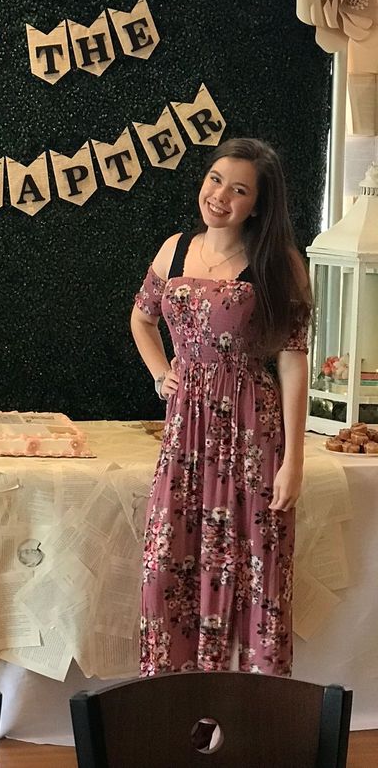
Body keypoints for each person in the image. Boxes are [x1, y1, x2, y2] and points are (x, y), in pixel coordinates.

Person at [130, 137, 311, 678]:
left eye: (239, 190)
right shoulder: (174, 249)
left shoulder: (279, 264)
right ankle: (173, 700)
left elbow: (294, 363)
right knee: (170, 561)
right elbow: (142, 320)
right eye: (214, 180)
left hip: (254, 431)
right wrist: (163, 374)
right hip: (185, 430)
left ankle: (252, 715)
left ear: (257, 204)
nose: (220, 196)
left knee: (255, 564)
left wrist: (294, 460)